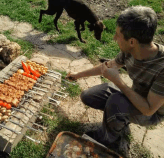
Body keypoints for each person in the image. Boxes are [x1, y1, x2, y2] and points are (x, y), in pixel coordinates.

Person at [67, 5, 164, 147]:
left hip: (150, 113)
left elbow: (148, 109)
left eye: (117, 35)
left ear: (132, 41)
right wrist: (78, 75)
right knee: (88, 96)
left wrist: (118, 81)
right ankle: (122, 118)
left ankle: (108, 139)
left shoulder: (161, 67)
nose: (114, 38)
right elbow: (106, 67)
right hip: (134, 96)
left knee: (115, 101)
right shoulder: (130, 50)